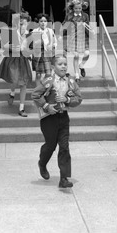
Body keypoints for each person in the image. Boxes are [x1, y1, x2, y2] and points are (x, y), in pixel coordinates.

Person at [32, 54, 82, 188]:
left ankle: (64, 178)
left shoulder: (70, 81)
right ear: (53, 67)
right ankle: (42, 163)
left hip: (63, 118)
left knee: (64, 147)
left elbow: (79, 98)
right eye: (60, 64)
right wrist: (47, 106)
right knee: (50, 145)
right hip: (49, 119)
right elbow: (35, 95)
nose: (64, 66)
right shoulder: (48, 80)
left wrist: (68, 100)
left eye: (65, 64)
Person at [0, 11, 33, 117]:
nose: (21, 26)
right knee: (14, 80)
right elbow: (0, 45)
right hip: (12, 59)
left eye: (23, 23)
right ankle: (12, 92)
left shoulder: (30, 35)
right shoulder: (10, 33)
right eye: (19, 23)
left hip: (23, 60)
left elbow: (33, 49)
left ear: (28, 23)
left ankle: (21, 108)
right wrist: (10, 47)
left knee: (23, 84)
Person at [62, 0, 93, 83]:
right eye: (76, 8)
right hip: (73, 37)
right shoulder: (69, 15)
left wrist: (86, 26)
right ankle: (77, 75)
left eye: (79, 8)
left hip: (83, 37)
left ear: (82, 7)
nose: (78, 10)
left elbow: (88, 26)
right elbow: (65, 24)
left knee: (87, 53)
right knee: (76, 56)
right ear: (73, 8)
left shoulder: (85, 15)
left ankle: (81, 65)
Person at [31, 13, 57, 86]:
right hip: (39, 54)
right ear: (38, 22)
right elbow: (34, 43)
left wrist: (53, 46)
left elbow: (55, 41)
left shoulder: (50, 31)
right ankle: (38, 89)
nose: (43, 23)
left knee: (48, 73)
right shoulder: (35, 31)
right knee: (38, 74)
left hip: (48, 54)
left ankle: (45, 87)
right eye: (41, 21)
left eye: (45, 21)